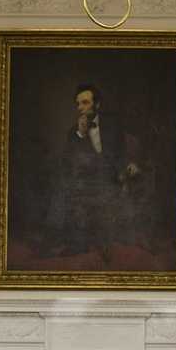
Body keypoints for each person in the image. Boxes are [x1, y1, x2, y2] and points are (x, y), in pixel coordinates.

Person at [51, 84, 144, 262]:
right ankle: (75, 243)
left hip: (112, 178)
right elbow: (69, 162)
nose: (80, 108)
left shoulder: (113, 125)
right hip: (85, 181)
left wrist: (130, 165)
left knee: (108, 196)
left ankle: (109, 243)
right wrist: (81, 134)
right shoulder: (74, 132)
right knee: (67, 191)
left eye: (85, 102)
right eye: (78, 104)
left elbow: (121, 153)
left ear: (98, 104)